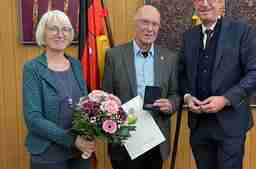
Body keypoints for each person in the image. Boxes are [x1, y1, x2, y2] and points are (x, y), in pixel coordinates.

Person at [178, 0, 256, 169]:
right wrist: (187, 97)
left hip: (231, 125)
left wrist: (225, 99)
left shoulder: (242, 32)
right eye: (199, 0)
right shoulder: (188, 37)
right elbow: (182, 74)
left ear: (221, 3)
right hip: (199, 126)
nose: (204, 4)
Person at [102, 5, 180, 169]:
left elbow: (175, 94)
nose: (150, 28)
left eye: (154, 24)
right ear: (135, 23)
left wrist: (171, 104)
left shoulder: (170, 58)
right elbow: (106, 97)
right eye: (145, 22)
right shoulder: (114, 56)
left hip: (156, 140)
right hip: (125, 140)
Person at [22, 10, 96, 169]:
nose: (60, 34)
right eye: (53, 28)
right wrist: (72, 140)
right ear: (43, 33)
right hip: (48, 154)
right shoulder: (32, 68)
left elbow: (84, 105)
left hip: (80, 152)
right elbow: (33, 118)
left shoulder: (76, 65)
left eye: (65, 29)